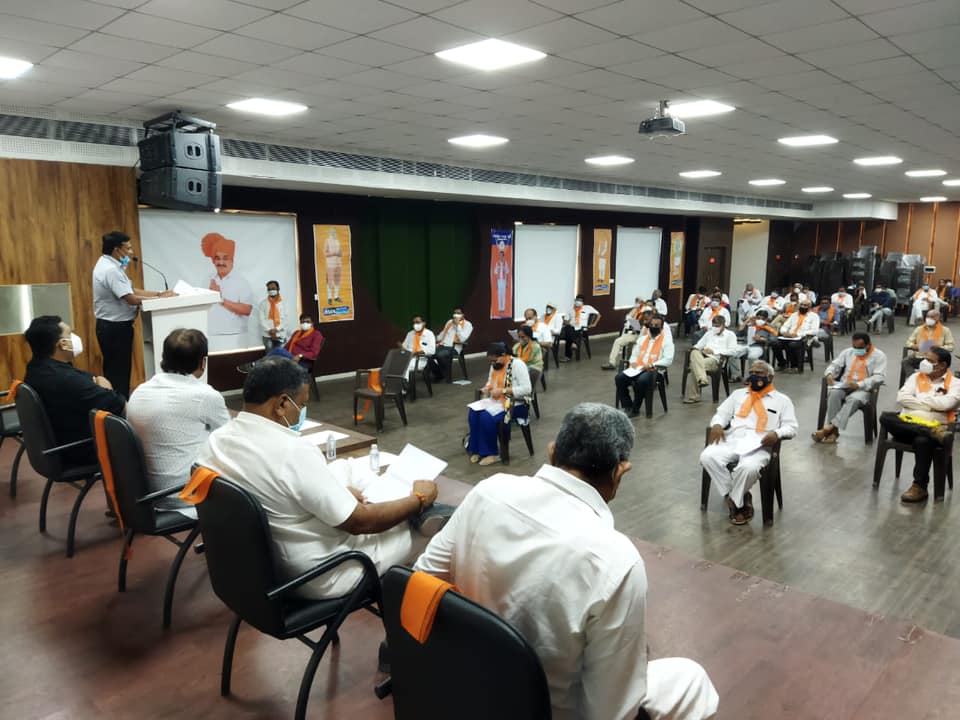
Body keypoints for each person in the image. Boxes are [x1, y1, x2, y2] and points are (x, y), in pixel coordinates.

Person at [415, 403, 719, 720]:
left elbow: (423, 577)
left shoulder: (488, 492)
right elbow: (610, 713)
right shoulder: (616, 562)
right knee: (691, 680)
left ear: (552, 452)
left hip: (467, 687)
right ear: (620, 472)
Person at [195, 357, 450, 598]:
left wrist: (336, 492)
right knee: (435, 533)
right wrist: (418, 499)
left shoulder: (218, 440)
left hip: (266, 566)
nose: (302, 412)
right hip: (325, 572)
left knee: (342, 467)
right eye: (302, 404)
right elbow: (362, 522)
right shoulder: (291, 452)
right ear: (282, 404)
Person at [127, 329, 229, 514]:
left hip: (145, 493)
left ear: (164, 357)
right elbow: (230, 437)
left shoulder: (140, 391)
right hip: (185, 494)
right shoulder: (205, 395)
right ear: (203, 362)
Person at [700, 360, 798, 525]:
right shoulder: (738, 394)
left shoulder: (782, 400)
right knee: (707, 457)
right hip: (733, 439)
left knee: (748, 468)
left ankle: (734, 501)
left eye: (758, 373)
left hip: (760, 444)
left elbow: (792, 427)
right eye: (751, 372)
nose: (753, 376)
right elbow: (721, 414)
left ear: (770, 377)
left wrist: (777, 433)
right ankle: (740, 495)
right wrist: (717, 424)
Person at [23, 315, 126, 465]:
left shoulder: (37, 368)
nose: (75, 337)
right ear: (63, 344)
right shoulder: (64, 379)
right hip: (82, 450)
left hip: (60, 446)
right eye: (70, 333)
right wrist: (104, 386)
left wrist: (99, 384)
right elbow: (117, 404)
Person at [93, 230, 174, 398]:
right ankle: (120, 408)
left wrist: (159, 294)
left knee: (117, 372)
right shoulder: (111, 270)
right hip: (115, 329)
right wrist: (160, 299)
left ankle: (117, 406)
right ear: (117, 250)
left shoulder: (108, 264)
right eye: (128, 248)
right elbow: (131, 298)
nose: (131, 252)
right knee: (119, 374)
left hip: (111, 328)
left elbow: (131, 290)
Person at [881, 347, 960, 503]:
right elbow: (901, 398)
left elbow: (947, 404)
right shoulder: (916, 377)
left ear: (942, 365)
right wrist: (931, 406)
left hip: (937, 426)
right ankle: (929, 431)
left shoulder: (956, 383)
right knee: (886, 417)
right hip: (906, 425)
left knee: (922, 441)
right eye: (925, 359)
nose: (924, 363)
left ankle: (919, 487)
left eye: (930, 361)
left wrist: (917, 401)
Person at [812, 332, 887, 443]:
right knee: (834, 394)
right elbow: (834, 365)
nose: (856, 350)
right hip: (845, 385)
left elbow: (879, 377)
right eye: (854, 346)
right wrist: (829, 373)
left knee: (853, 399)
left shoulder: (879, 356)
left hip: (864, 389)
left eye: (860, 348)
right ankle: (833, 432)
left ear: (868, 345)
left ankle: (829, 428)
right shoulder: (848, 352)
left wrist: (859, 384)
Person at [467, 343, 532, 466]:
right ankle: (477, 450)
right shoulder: (495, 365)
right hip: (497, 401)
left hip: (516, 404)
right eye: (491, 361)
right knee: (474, 412)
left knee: (486, 417)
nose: (493, 363)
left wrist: (503, 390)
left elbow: (527, 389)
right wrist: (487, 388)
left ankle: (492, 453)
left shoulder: (517, 365)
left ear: (503, 355)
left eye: (495, 360)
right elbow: (490, 382)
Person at [615, 315, 674, 417]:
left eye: (656, 325)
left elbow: (668, 360)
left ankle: (635, 409)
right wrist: (633, 362)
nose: (653, 327)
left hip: (654, 371)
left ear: (661, 328)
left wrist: (651, 364)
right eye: (651, 325)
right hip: (638, 368)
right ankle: (627, 405)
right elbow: (634, 354)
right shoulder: (642, 339)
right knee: (619, 378)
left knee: (641, 381)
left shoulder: (667, 341)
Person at [202, 232, 254, 337]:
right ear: (213, 261)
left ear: (232, 260)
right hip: (210, 334)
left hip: (234, 335)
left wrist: (221, 299)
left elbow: (247, 310)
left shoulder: (241, 281)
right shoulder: (208, 279)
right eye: (217, 258)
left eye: (225, 258)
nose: (221, 262)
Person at [684, 315, 738, 404]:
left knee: (694, 365)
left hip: (716, 360)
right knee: (694, 352)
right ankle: (702, 379)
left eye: (717, 326)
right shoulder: (709, 333)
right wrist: (698, 349)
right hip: (703, 356)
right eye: (713, 326)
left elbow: (733, 351)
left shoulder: (730, 335)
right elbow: (698, 345)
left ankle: (695, 396)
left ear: (723, 325)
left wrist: (714, 352)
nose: (715, 328)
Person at [602, 297, 649, 370]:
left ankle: (632, 364)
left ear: (643, 302)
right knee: (617, 341)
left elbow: (644, 326)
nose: (637, 303)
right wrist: (632, 323)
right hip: (632, 333)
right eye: (636, 301)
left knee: (631, 346)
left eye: (639, 301)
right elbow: (628, 318)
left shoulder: (646, 311)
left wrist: (636, 326)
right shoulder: (636, 310)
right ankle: (612, 363)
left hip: (641, 336)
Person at [772, 299, 819, 371]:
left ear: (809, 307)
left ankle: (795, 366)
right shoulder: (794, 315)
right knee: (775, 343)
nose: (802, 306)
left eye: (805, 305)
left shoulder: (814, 316)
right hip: (789, 337)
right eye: (801, 305)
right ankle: (782, 363)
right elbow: (785, 326)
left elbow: (814, 331)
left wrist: (798, 334)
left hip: (803, 338)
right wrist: (785, 332)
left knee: (792, 345)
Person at [903, 309, 954, 375]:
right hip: (919, 356)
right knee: (905, 362)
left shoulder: (945, 330)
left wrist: (938, 348)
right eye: (927, 316)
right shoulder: (919, 329)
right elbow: (908, 342)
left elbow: (950, 347)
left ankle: (930, 379)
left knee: (932, 368)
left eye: (932, 317)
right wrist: (913, 346)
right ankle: (914, 378)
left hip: (935, 358)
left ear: (938, 318)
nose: (929, 319)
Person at [433, 308, 473, 382]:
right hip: (442, 345)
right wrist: (434, 339)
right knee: (428, 355)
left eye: (458, 313)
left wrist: (458, 325)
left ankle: (443, 373)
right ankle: (439, 374)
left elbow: (462, 339)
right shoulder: (449, 322)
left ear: (463, 315)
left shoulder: (468, 325)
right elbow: (442, 334)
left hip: (454, 348)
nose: (456, 315)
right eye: (455, 313)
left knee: (440, 355)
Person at [559, 294, 600, 362]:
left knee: (568, 334)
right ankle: (574, 343)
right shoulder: (571, 309)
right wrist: (567, 322)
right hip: (572, 327)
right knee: (568, 328)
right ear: (575, 300)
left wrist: (594, 324)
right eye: (577, 300)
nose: (578, 302)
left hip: (582, 330)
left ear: (583, 302)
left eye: (580, 301)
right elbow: (565, 320)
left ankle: (568, 356)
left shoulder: (588, 308)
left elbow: (598, 315)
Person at [257, 280, 290, 351]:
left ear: (278, 289)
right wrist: (270, 330)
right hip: (267, 335)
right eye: (269, 289)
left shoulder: (284, 303)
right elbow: (261, 319)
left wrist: (276, 329)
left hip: (281, 334)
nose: (271, 290)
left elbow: (286, 319)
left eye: (273, 288)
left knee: (280, 355)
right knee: (270, 355)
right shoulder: (263, 303)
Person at [400, 315, 436, 381]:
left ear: (424, 323)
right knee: (395, 364)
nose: (415, 324)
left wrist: (416, 353)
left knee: (404, 366)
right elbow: (404, 346)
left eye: (418, 322)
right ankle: (395, 384)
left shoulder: (429, 334)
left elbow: (432, 350)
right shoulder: (410, 333)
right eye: (414, 323)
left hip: (420, 359)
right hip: (407, 357)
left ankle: (404, 385)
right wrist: (402, 348)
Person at [322, 226, 344, 306]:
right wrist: (333, 253)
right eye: (333, 233)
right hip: (330, 265)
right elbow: (325, 253)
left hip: (338, 264)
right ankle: (329, 298)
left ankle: (336, 297)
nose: (334, 234)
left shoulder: (337, 241)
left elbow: (341, 253)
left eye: (335, 233)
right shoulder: (327, 241)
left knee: (337, 281)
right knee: (329, 282)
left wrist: (340, 253)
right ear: (330, 233)